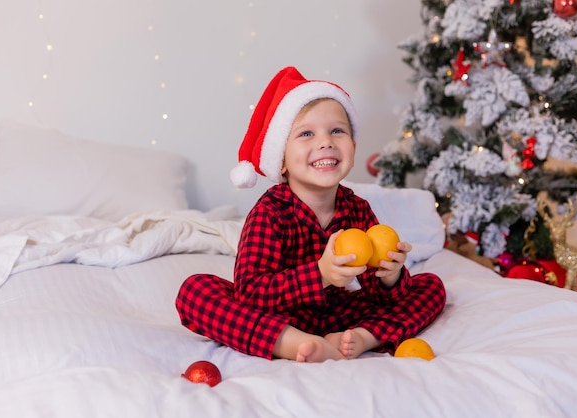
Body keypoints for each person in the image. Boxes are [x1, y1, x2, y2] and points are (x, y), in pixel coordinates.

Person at [176, 66, 446, 362]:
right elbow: (250, 294)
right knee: (195, 291)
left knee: (429, 285)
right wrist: (321, 274)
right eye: (306, 133)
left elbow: (377, 295)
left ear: (353, 148)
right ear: (281, 160)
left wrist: (390, 276)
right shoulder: (270, 212)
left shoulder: (357, 208)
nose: (325, 142)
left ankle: (361, 338)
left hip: (343, 316)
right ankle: (292, 344)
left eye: (337, 131)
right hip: (282, 317)